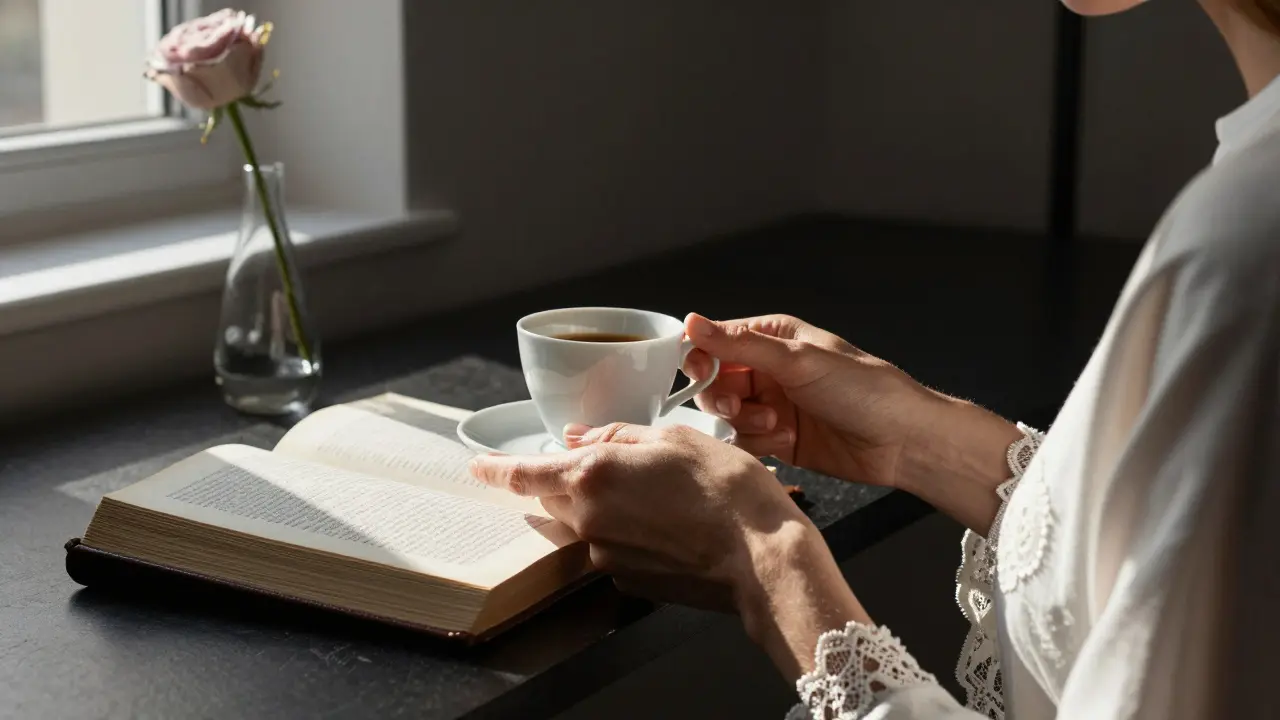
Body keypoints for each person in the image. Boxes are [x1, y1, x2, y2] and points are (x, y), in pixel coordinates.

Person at [470, 0, 1280, 716]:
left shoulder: (1248, 249)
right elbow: (1161, 558)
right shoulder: (1250, 183)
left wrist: (763, 558)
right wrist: (919, 439)